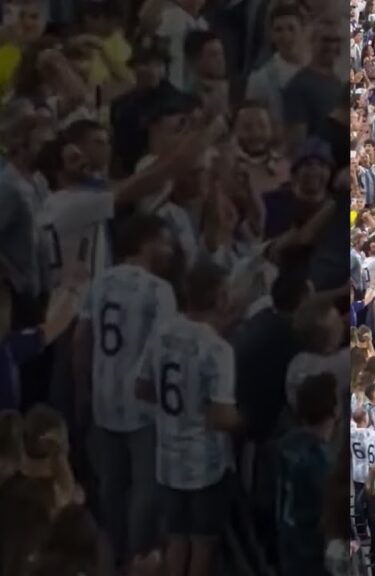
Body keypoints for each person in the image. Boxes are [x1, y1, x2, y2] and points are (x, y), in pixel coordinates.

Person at [75, 213, 175, 568]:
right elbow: (165, 350)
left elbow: (81, 340)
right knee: (145, 491)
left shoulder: (99, 282)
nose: (170, 249)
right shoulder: (159, 290)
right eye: (164, 241)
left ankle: (112, 560)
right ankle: (138, 562)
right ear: (145, 242)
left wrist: (84, 389)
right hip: (144, 406)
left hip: (104, 400)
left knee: (110, 489)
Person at [135, 261, 241, 576]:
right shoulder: (217, 349)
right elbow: (222, 415)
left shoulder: (163, 332)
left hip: (166, 459)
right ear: (220, 296)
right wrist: (244, 421)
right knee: (202, 545)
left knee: (177, 541)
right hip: (203, 465)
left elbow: (141, 387)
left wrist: (179, 403)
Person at [276, 374, 338, 576]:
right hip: (310, 552)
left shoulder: (284, 445)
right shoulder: (320, 461)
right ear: (334, 411)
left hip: (285, 543)